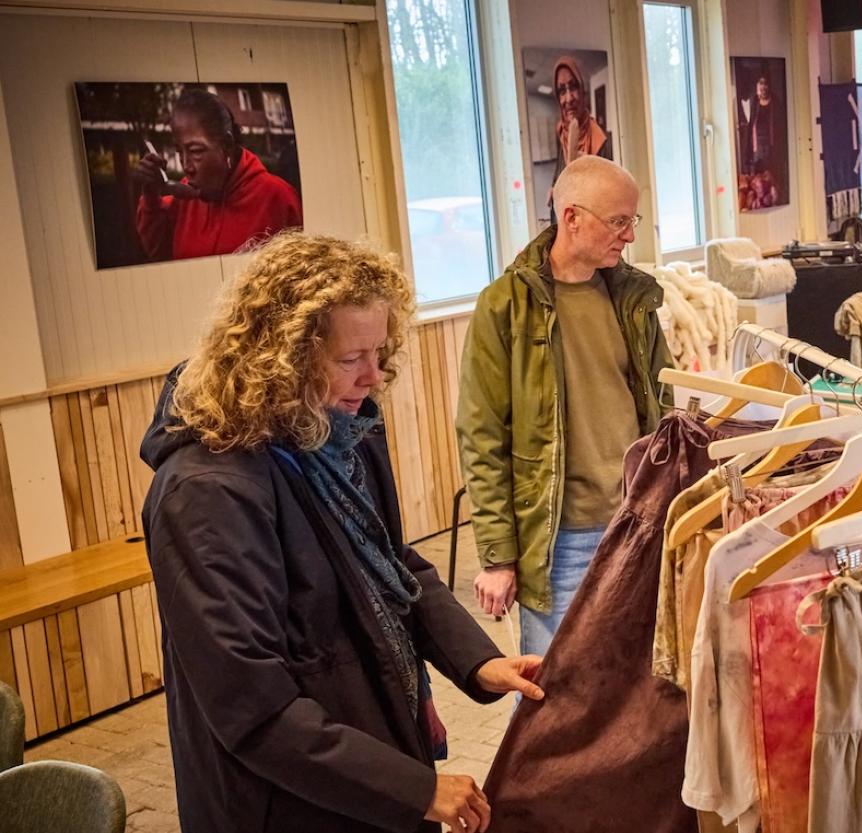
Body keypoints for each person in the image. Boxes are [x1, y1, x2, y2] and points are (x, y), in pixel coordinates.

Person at [140, 232, 540, 833]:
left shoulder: (335, 434)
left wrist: (479, 663)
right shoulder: (207, 493)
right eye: (351, 359)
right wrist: (414, 788)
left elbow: (390, 566)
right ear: (280, 360)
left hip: (363, 746)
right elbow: (252, 709)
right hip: (285, 800)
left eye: (379, 352)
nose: (373, 377)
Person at [459, 156, 673, 659]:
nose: (629, 235)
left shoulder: (633, 298)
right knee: (551, 688)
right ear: (571, 216)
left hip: (636, 522)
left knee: (632, 682)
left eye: (633, 221)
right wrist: (498, 556)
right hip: (560, 540)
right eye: (618, 221)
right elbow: (482, 437)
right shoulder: (505, 306)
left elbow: (662, 404)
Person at [133, 87, 302, 261]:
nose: (186, 167)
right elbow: (160, 255)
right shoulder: (182, 199)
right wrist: (151, 199)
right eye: (179, 152)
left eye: (196, 151)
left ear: (226, 145)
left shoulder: (278, 198)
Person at [551, 56, 614, 188]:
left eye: (573, 87)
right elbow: (559, 169)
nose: (569, 99)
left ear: (582, 90)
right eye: (562, 91)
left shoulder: (602, 140)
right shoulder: (561, 131)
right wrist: (554, 186)